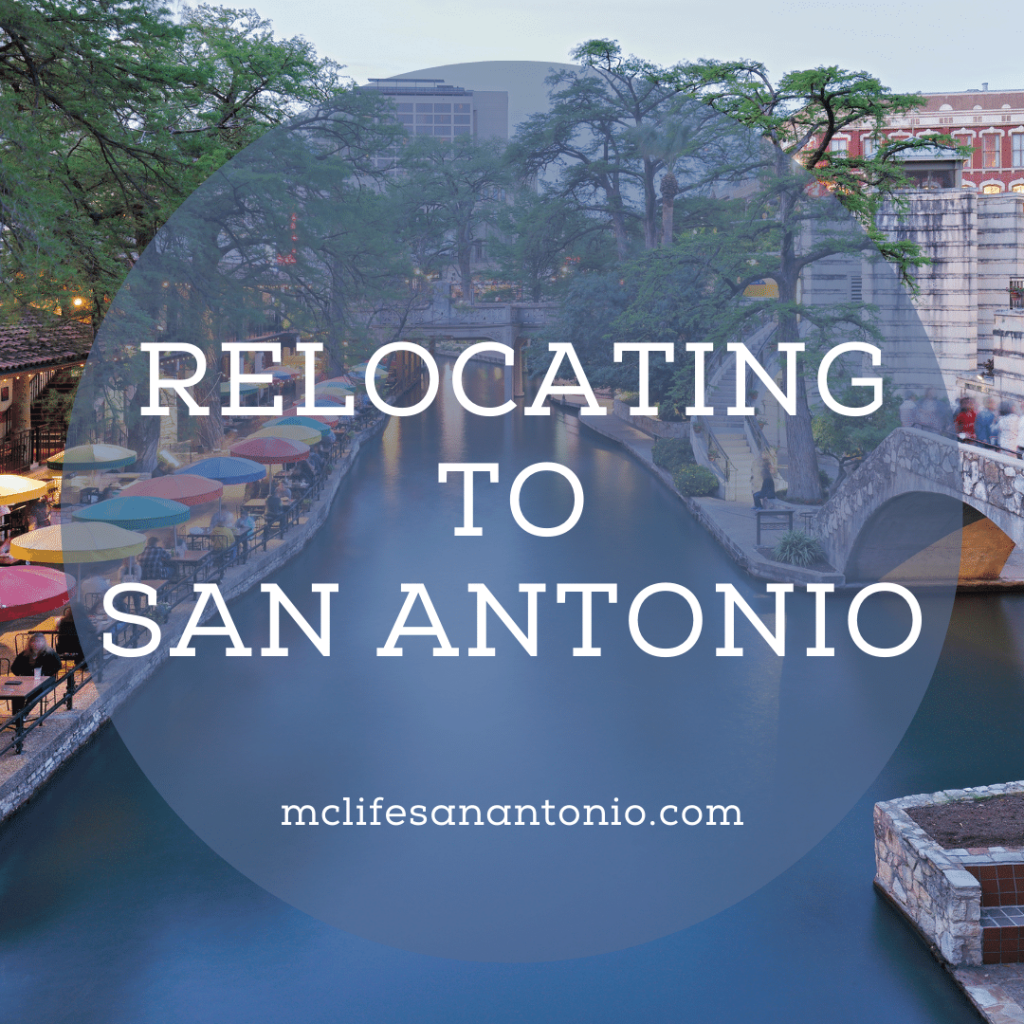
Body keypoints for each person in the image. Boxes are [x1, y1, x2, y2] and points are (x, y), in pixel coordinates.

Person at [10, 634, 61, 715]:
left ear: (44, 643)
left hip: (45, 679)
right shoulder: (24, 654)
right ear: (30, 643)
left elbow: (57, 666)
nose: (37, 643)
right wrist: (23, 674)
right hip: (28, 679)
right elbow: (14, 668)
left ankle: (24, 713)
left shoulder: (50, 653)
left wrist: (45, 673)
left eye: (40, 641)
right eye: (34, 641)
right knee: (18, 691)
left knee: (35, 691)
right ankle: (16, 715)